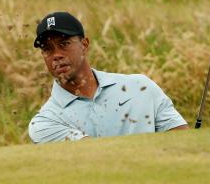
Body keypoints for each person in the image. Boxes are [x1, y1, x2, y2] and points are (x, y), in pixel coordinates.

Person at [28, 12, 188, 143]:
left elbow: (182, 142)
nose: (56, 55)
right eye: (47, 49)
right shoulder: (45, 123)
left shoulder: (141, 86)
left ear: (84, 45)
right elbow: (102, 157)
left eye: (64, 44)